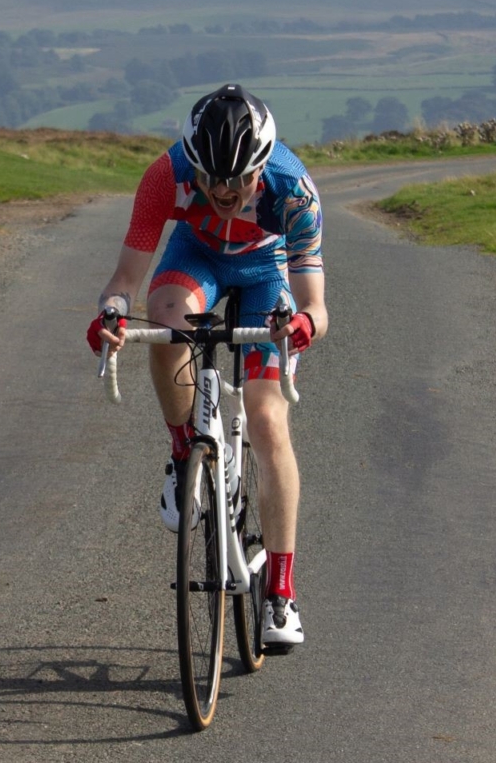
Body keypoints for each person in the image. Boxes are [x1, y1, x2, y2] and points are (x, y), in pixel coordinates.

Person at [88, 84, 326, 648]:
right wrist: (111, 316)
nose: (224, 191)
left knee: (268, 423)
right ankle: (182, 454)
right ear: (193, 163)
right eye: (212, 178)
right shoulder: (163, 177)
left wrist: (302, 326)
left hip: (267, 274)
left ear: (261, 167)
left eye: (240, 179)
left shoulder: (293, 191)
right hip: (196, 257)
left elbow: (315, 303)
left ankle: (282, 595)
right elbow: (124, 282)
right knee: (165, 318)